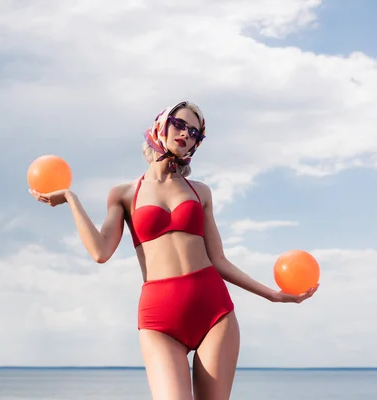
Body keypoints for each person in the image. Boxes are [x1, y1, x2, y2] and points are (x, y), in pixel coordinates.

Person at [29, 101, 319, 400]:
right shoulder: (124, 193)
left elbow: (218, 260)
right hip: (160, 320)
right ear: (161, 126)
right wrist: (70, 199)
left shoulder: (200, 191)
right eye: (179, 125)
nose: (185, 134)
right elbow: (100, 252)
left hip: (214, 312)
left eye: (194, 132)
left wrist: (271, 295)